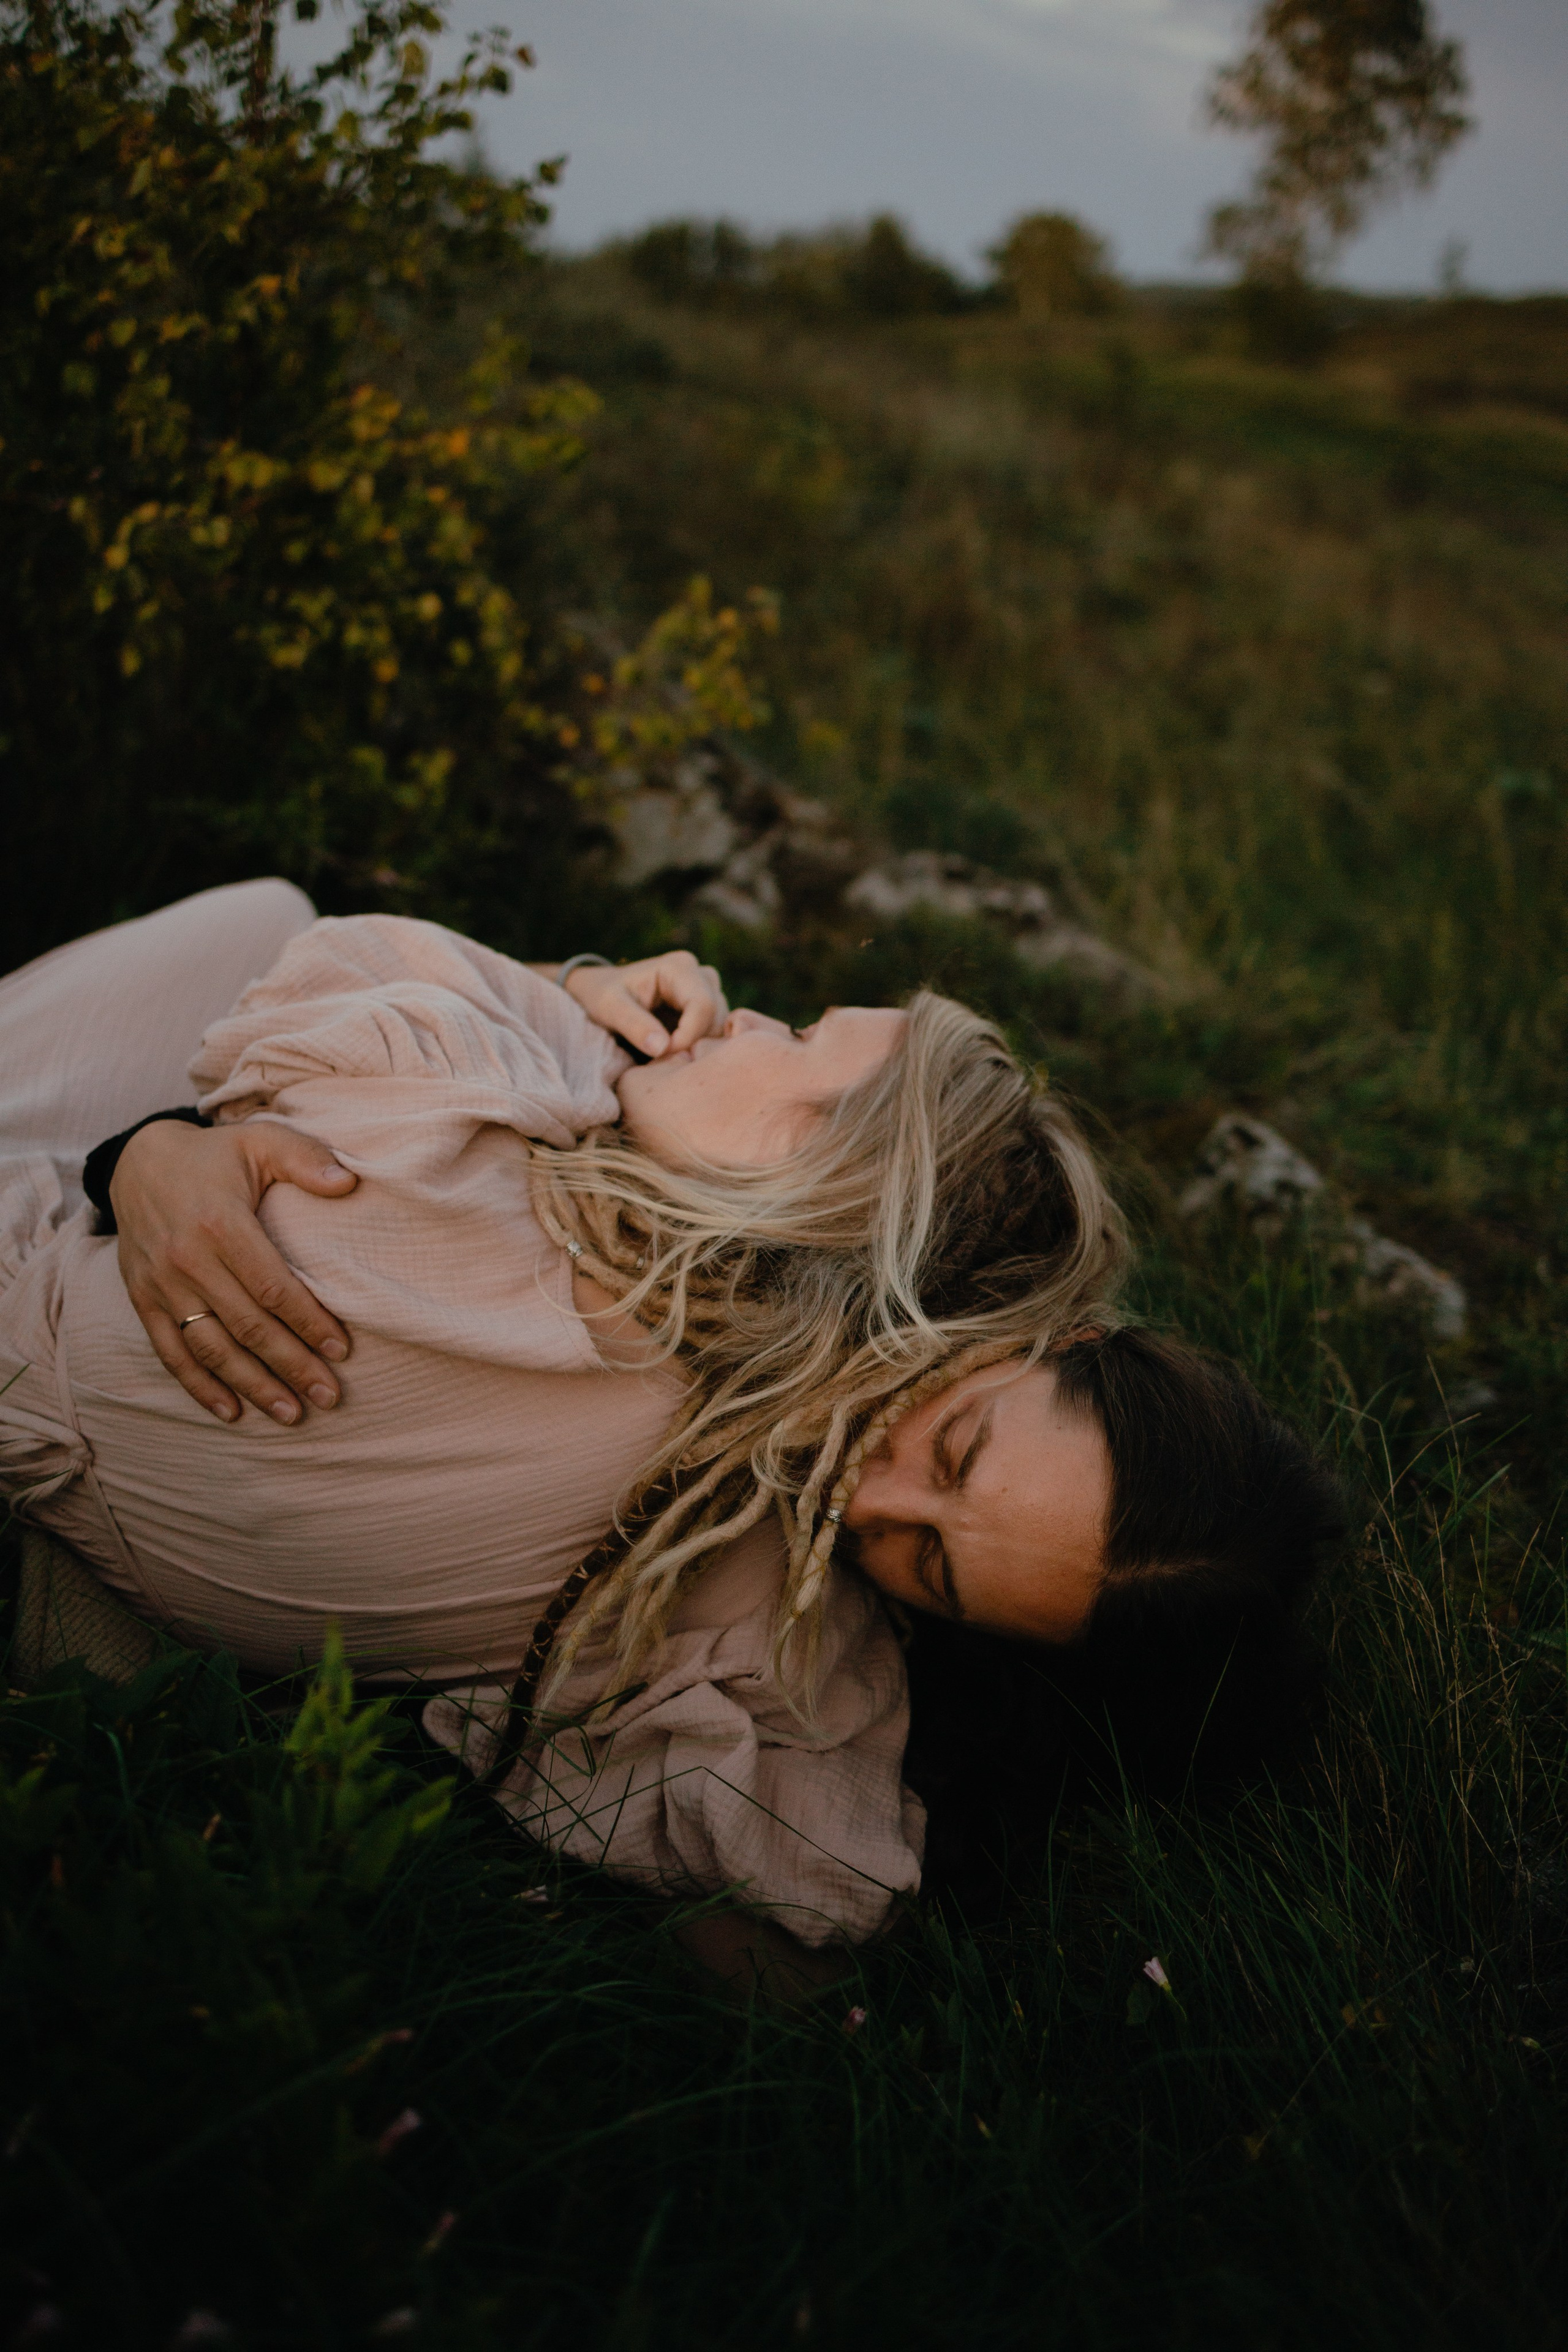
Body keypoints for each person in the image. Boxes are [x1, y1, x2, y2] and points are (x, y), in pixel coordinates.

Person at [0, 880, 1338, 1961]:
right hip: (78, 1351)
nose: (866, 1504)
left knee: (264, 920)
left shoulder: (463, 1147)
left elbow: (792, 1902)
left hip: (42, 1318)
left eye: (927, 1566)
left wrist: (570, 1028)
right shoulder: (736, 1568)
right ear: (1030, 1340)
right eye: (952, 1452)